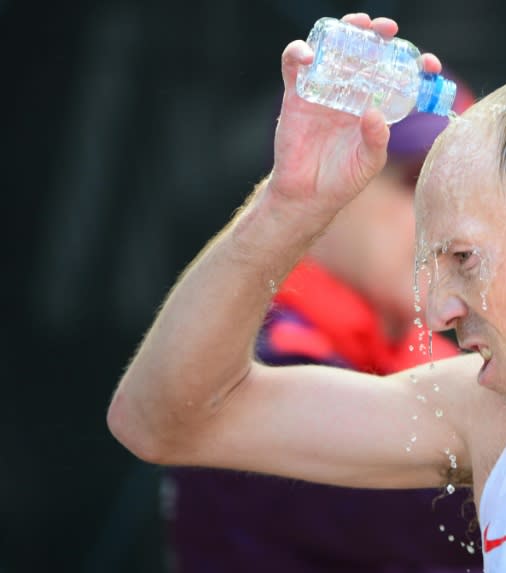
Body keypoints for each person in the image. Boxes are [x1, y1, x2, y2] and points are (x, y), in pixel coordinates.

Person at [108, 13, 506, 572]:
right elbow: (159, 419)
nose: (437, 308)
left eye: (464, 256)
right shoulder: (484, 417)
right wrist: (287, 203)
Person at [162, 78, 482, 572]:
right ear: (324, 182)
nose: (451, 222)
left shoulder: (439, 359)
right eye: (417, 182)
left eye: (469, 198)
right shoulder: (251, 361)